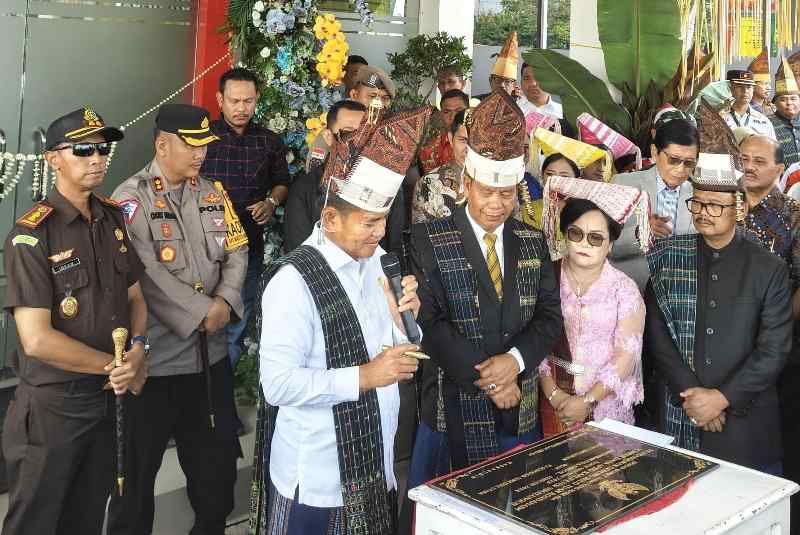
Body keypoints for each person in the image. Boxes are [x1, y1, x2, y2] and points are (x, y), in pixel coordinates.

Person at [255, 107, 429, 534]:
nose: (379, 231)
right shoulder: (293, 281)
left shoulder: (379, 263)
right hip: (317, 477)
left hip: (374, 464)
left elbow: (398, 354)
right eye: (368, 222)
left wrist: (408, 320)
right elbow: (278, 384)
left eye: (383, 220)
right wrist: (367, 376)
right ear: (330, 218)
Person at [1, 107, 147, 535]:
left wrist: (140, 349)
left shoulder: (113, 218)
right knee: (37, 520)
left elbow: (136, 297)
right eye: (83, 149)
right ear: (53, 159)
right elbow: (37, 340)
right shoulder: (32, 235)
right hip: (55, 407)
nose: (97, 158)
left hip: (108, 400)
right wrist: (115, 366)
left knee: (87, 515)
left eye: (103, 148)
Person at [407, 90, 562, 487]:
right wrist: (493, 379)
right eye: (487, 192)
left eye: (506, 193)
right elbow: (430, 322)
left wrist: (514, 361)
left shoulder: (533, 241)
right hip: (452, 406)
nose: (496, 203)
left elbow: (548, 317)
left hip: (518, 405)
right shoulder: (429, 239)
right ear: (466, 184)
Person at [108, 104, 248, 535]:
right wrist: (201, 312)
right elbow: (144, 274)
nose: (201, 155)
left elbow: (237, 249)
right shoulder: (131, 199)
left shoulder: (212, 193)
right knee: (135, 486)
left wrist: (223, 300)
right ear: (162, 144)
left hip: (210, 363)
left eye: (206, 145)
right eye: (193, 145)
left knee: (216, 478)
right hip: (155, 367)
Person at [645, 152, 791, 472]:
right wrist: (695, 399)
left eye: (714, 205)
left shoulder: (769, 269)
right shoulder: (669, 256)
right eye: (697, 203)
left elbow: (773, 350)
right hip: (682, 413)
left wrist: (721, 399)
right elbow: (658, 337)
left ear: (738, 207)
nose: (703, 213)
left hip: (746, 427)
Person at [537, 177, 648, 437]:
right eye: (576, 233)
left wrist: (587, 400)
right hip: (552, 404)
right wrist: (554, 395)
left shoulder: (624, 289)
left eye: (596, 238)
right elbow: (534, 340)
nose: (585, 243)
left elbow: (626, 358)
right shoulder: (545, 279)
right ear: (565, 235)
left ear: (609, 245)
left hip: (605, 409)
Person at [201, 67, 290, 371]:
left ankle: (222, 396)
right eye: (234, 101)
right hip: (203, 249)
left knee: (236, 324)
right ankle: (200, 396)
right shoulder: (202, 139)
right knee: (199, 321)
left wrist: (271, 201)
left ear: (257, 100)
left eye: (248, 101)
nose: (241, 109)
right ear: (220, 99)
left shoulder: (269, 142)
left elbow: (282, 181)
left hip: (247, 248)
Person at [610, 118, 699, 292]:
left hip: (680, 298)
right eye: (674, 159)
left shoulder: (699, 196)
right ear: (654, 152)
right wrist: (642, 232)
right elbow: (607, 246)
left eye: (689, 163)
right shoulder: (623, 184)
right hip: (630, 293)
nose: (681, 169)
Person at [412, 108, 470, 223]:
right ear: (450, 138)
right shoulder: (429, 182)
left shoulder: (501, 181)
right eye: (463, 141)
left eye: (476, 142)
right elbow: (422, 234)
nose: (469, 149)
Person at [519, 152, 580, 230]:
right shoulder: (527, 210)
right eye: (550, 174)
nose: (555, 180)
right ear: (541, 176)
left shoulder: (585, 212)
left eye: (564, 176)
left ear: (577, 180)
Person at [418, 89, 469, 174]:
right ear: (441, 115)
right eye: (447, 112)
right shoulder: (428, 151)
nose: (453, 117)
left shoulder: (482, 142)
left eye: (459, 111)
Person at [719, 70, 776, 140]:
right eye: (739, 87)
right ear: (730, 89)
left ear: (753, 89)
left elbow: (772, 148)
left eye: (749, 87)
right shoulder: (718, 118)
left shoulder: (763, 120)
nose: (745, 91)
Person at [772, 55, 800, 167]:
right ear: (775, 103)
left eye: (793, 99)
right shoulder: (767, 123)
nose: (789, 103)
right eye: (783, 99)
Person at [749, 49, 776, 115]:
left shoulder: (772, 108)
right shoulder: (747, 108)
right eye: (764, 83)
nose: (768, 88)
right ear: (753, 85)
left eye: (769, 84)